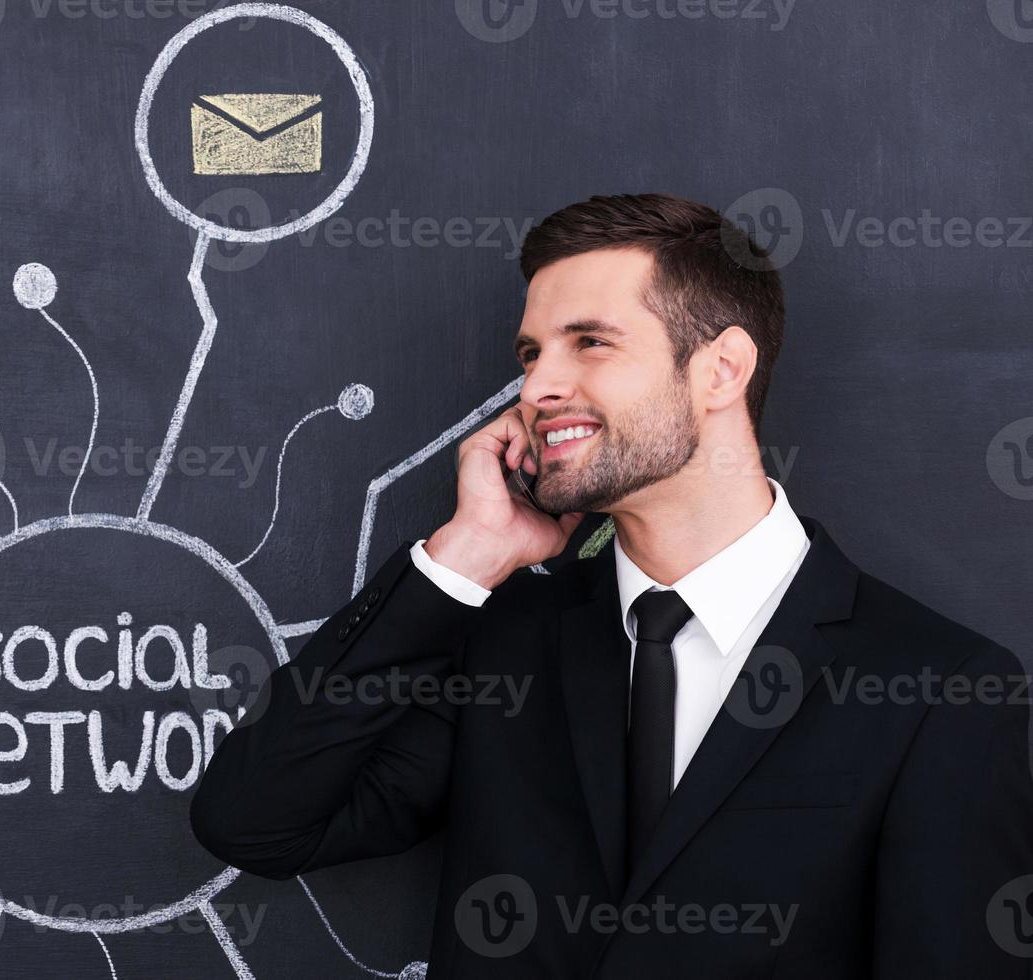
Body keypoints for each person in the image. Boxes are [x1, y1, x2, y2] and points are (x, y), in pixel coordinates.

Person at [188, 193, 1033, 978]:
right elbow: (256, 821)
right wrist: (462, 560)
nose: (536, 386)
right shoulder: (505, 640)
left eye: (588, 342)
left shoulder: (939, 692)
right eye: (531, 353)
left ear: (720, 369)